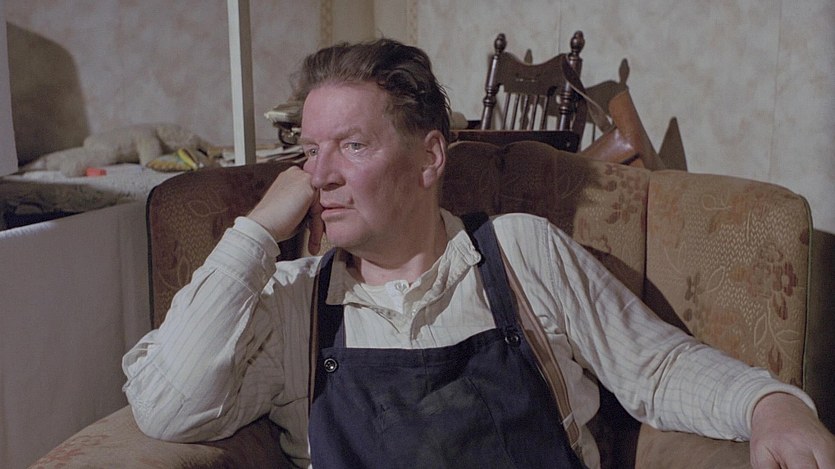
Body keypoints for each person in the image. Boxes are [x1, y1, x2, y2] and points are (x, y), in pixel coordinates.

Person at [122, 39, 835, 468]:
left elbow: (656, 366)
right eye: (310, 150)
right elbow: (166, 408)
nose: (320, 174)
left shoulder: (520, 253)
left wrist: (770, 405)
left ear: (429, 157)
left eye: (353, 145)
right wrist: (254, 232)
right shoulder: (293, 302)